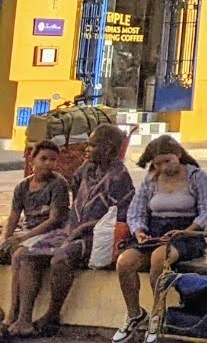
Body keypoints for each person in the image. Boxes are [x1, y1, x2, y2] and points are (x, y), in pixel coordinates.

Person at [23, 124, 132, 336]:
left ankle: (53, 314)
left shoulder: (119, 176)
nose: (87, 149)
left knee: (61, 258)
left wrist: (82, 227)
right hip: (72, 230)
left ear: (108, 149)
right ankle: (22, 317)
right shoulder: (87, 168)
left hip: (95, 237)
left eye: (92, 145)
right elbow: (75, 190)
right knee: (25, 254)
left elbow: (118, 217)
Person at [113, 137, 207, 343]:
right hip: (155, 231)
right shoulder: (150, 180)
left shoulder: (198, 177)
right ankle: (134, 313)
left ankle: (158, 313)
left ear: (178, 155)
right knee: (125, 262)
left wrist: (186, 231)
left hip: (188, 233)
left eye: (167, 161)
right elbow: (137, 211)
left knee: (160, 258)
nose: (163, 167)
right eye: (158, 163)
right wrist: (138, 231)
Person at [2, 140, 72, 336]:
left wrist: (23, 238)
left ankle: (13, 314)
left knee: (19, 256)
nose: (48, 164)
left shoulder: (58, 184)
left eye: (53, 160)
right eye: (43, 159)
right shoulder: (22, 187)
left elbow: (54, 220)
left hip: (51, 234)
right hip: (29, 232)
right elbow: (14, 217)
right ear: (32, 159)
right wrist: (5, 238)